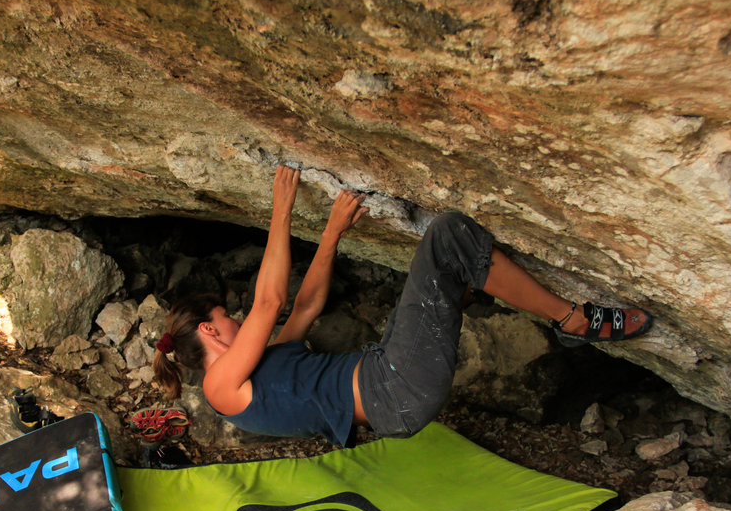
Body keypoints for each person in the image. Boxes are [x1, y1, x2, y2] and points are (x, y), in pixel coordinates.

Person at [152, 164, 651, 447]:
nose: (235, 318)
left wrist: (331, 234)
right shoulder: (221, 387)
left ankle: (472, 287)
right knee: (447, 236)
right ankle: (573, 320)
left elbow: (303, 307)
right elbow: (270, 300)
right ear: (209, 332)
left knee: (443, 269)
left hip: (388, 374)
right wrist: (281, 207)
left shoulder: (261, 364)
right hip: (394, 388)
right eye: (225, 317)